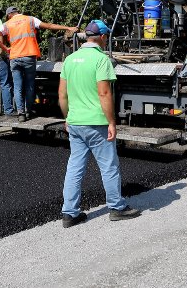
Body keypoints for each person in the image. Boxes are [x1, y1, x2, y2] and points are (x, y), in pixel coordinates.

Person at [58, 19, 141, 228]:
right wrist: (112, 122)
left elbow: (62, 95)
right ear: (103, 37)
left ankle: (69, 212)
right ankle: (117, 207)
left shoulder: (70, 59)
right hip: (96, 123)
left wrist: (67, 117)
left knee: (75, 167)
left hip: (75, 122)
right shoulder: (101, 60)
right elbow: (104, 93)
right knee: (109, 166)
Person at [0, 6, 78, 122]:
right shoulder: (30, 19)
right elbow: (50, 26)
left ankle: (21, 113)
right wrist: (68, 27)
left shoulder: (7, 24)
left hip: (15, 57)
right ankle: (28, 111)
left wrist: (5, 48)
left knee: (17, 86)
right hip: (29, 56)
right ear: (18, 12)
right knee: (29, 85)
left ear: (9, 15)